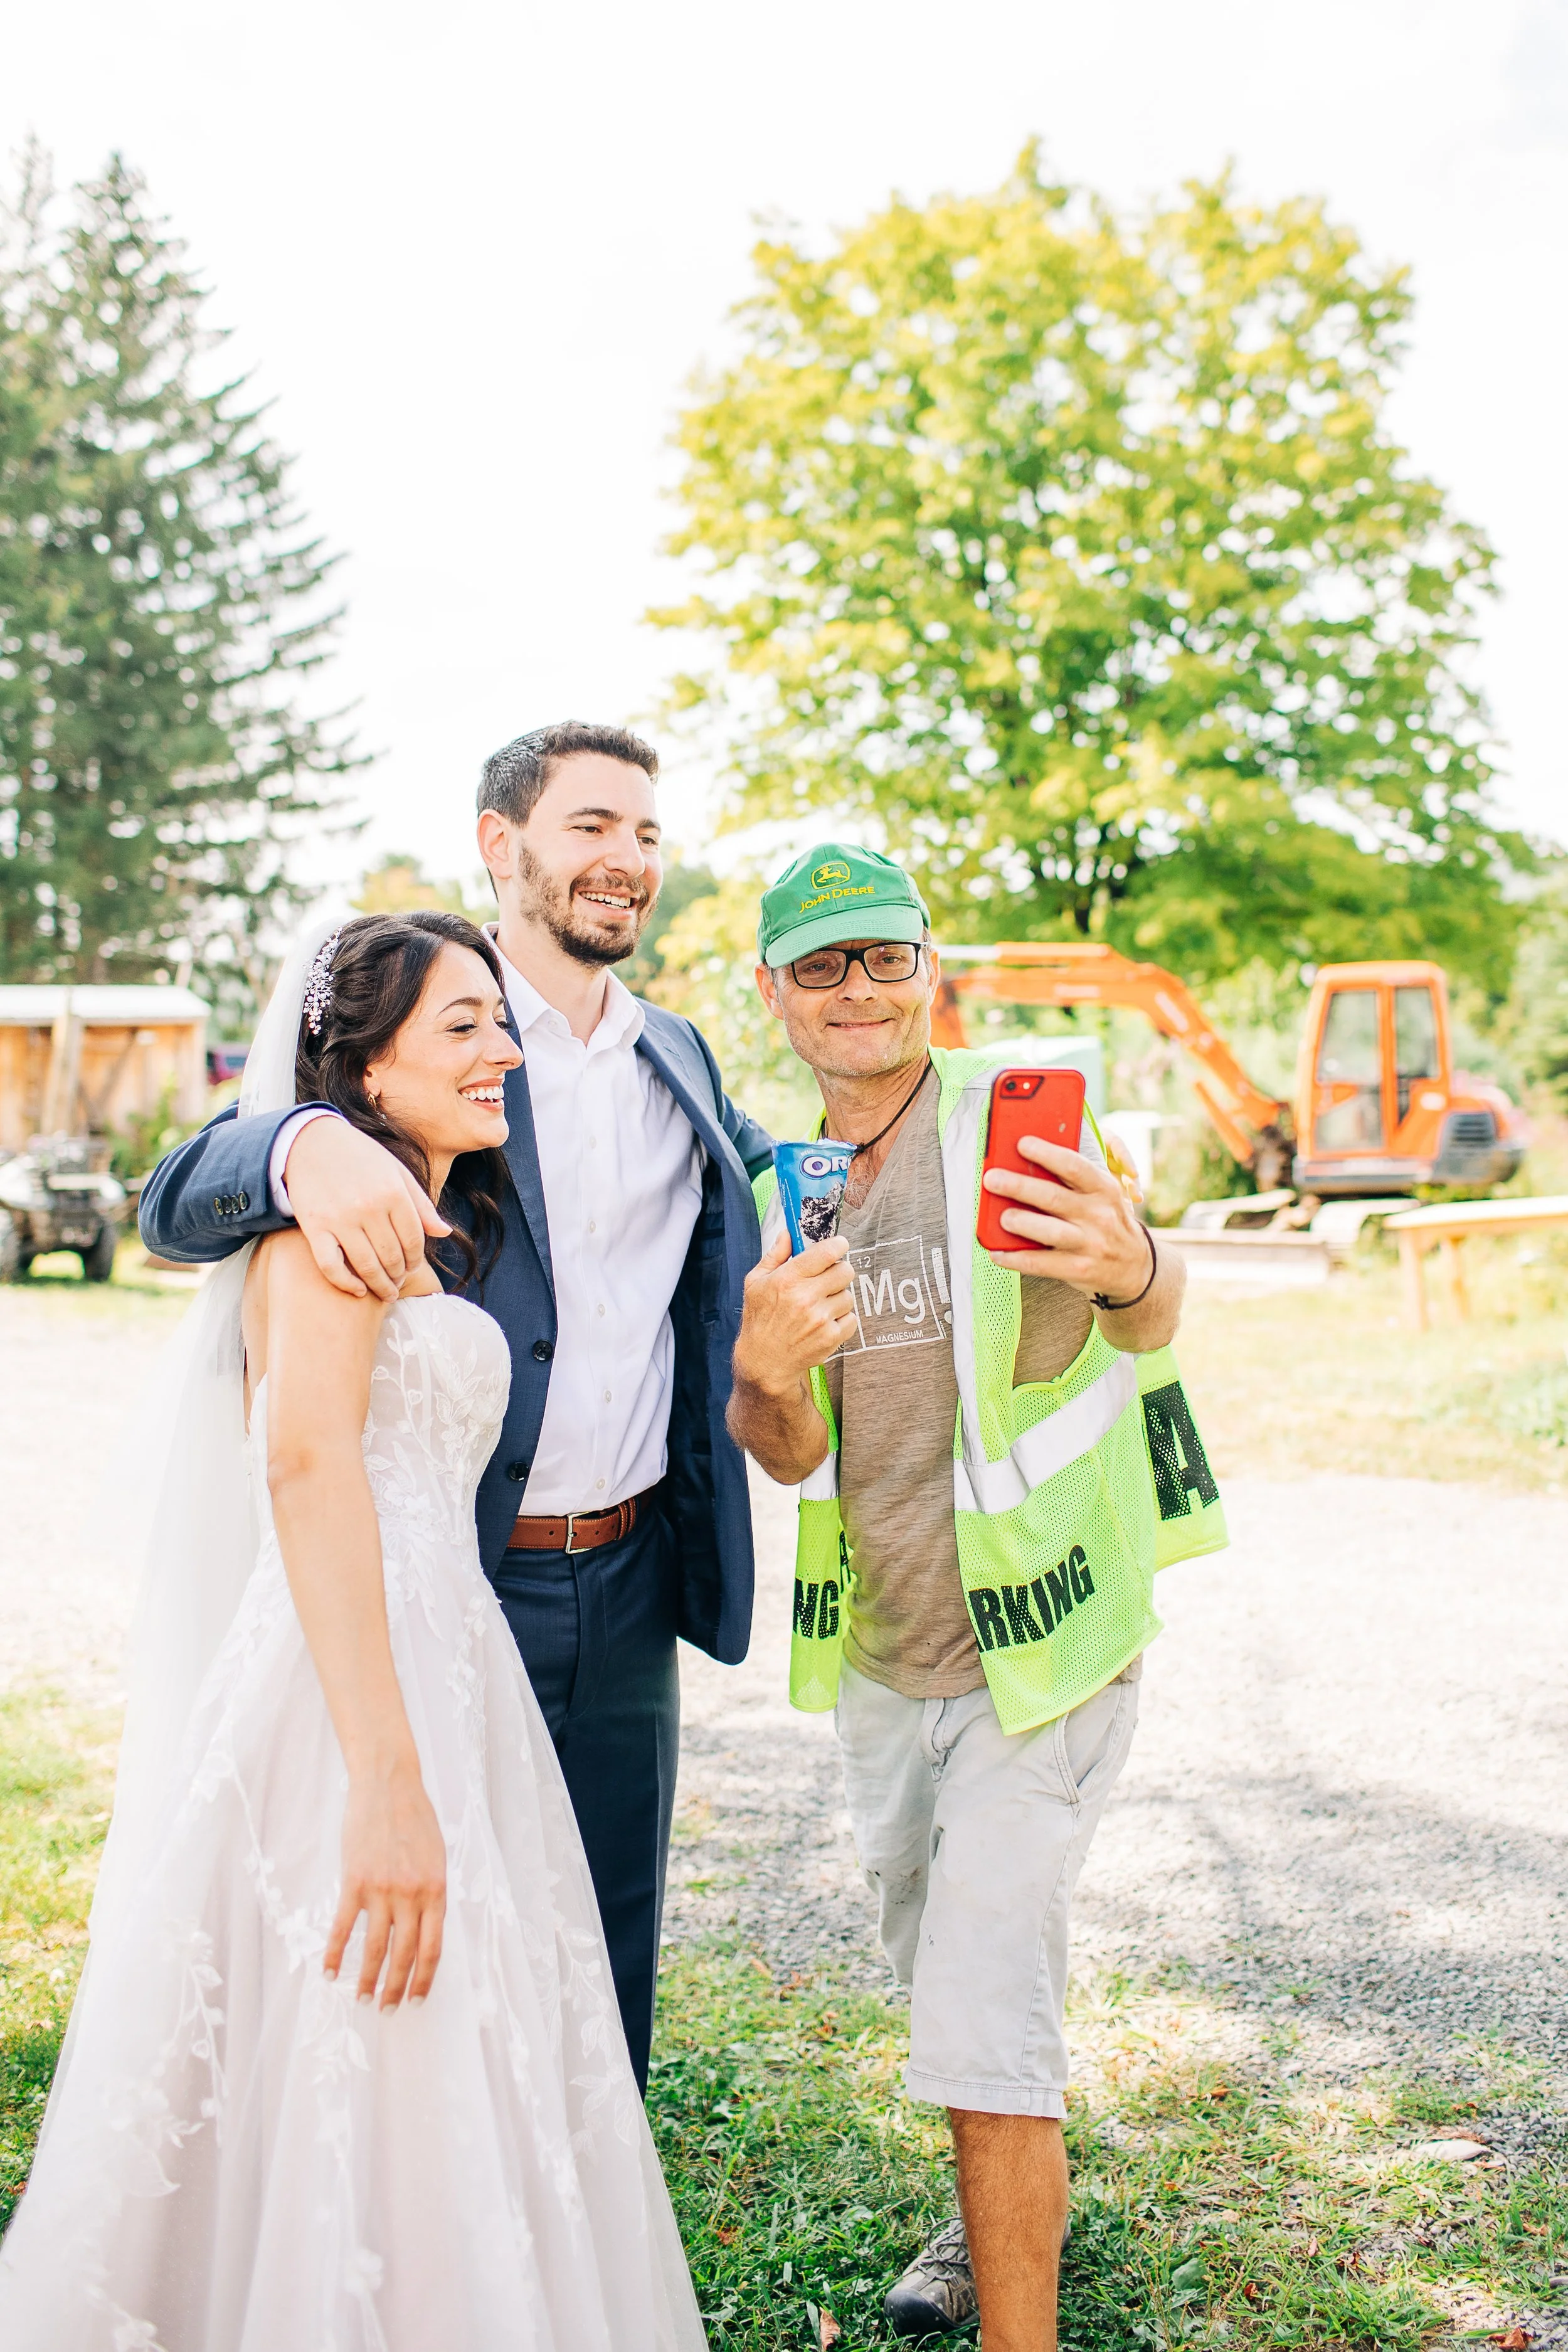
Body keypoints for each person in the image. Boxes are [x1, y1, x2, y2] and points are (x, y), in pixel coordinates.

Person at [0, 911, 707, 2349]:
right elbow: (307, 1464)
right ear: (364, 1071)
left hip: (457, 1663)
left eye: (501, 1022)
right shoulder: (327, 1215)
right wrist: (386, 1777)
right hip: (351, 1694)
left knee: (462, 2031)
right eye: (462, 1027)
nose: (501, 1047)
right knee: (364, 2009)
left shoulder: (444, 1214)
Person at [139, 722, 771, 2090]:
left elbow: (790, 1193)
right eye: (593, 826)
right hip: (462, 1576)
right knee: (417, 1950)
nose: (628, 861)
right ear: (503, 846)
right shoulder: (438, 1052)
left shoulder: (683, 1064)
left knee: (603, 1951)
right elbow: (176, 1200)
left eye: (648, 834)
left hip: (634, 1575)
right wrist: (301, 1141)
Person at [728, 844, 1227, 2352]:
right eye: (821, 964)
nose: (857, 989)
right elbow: (786, 1447)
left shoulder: (1019, 1117)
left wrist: (1132, 1256)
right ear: (772, 996)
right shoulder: (773, 1188)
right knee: (945, 1969)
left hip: (1048, 1641)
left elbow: (1150, 1307)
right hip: (886, 1663)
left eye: (883, 956)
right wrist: (760, 1371)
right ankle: (991, 2197)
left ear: (928, 968)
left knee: (978, 2008)